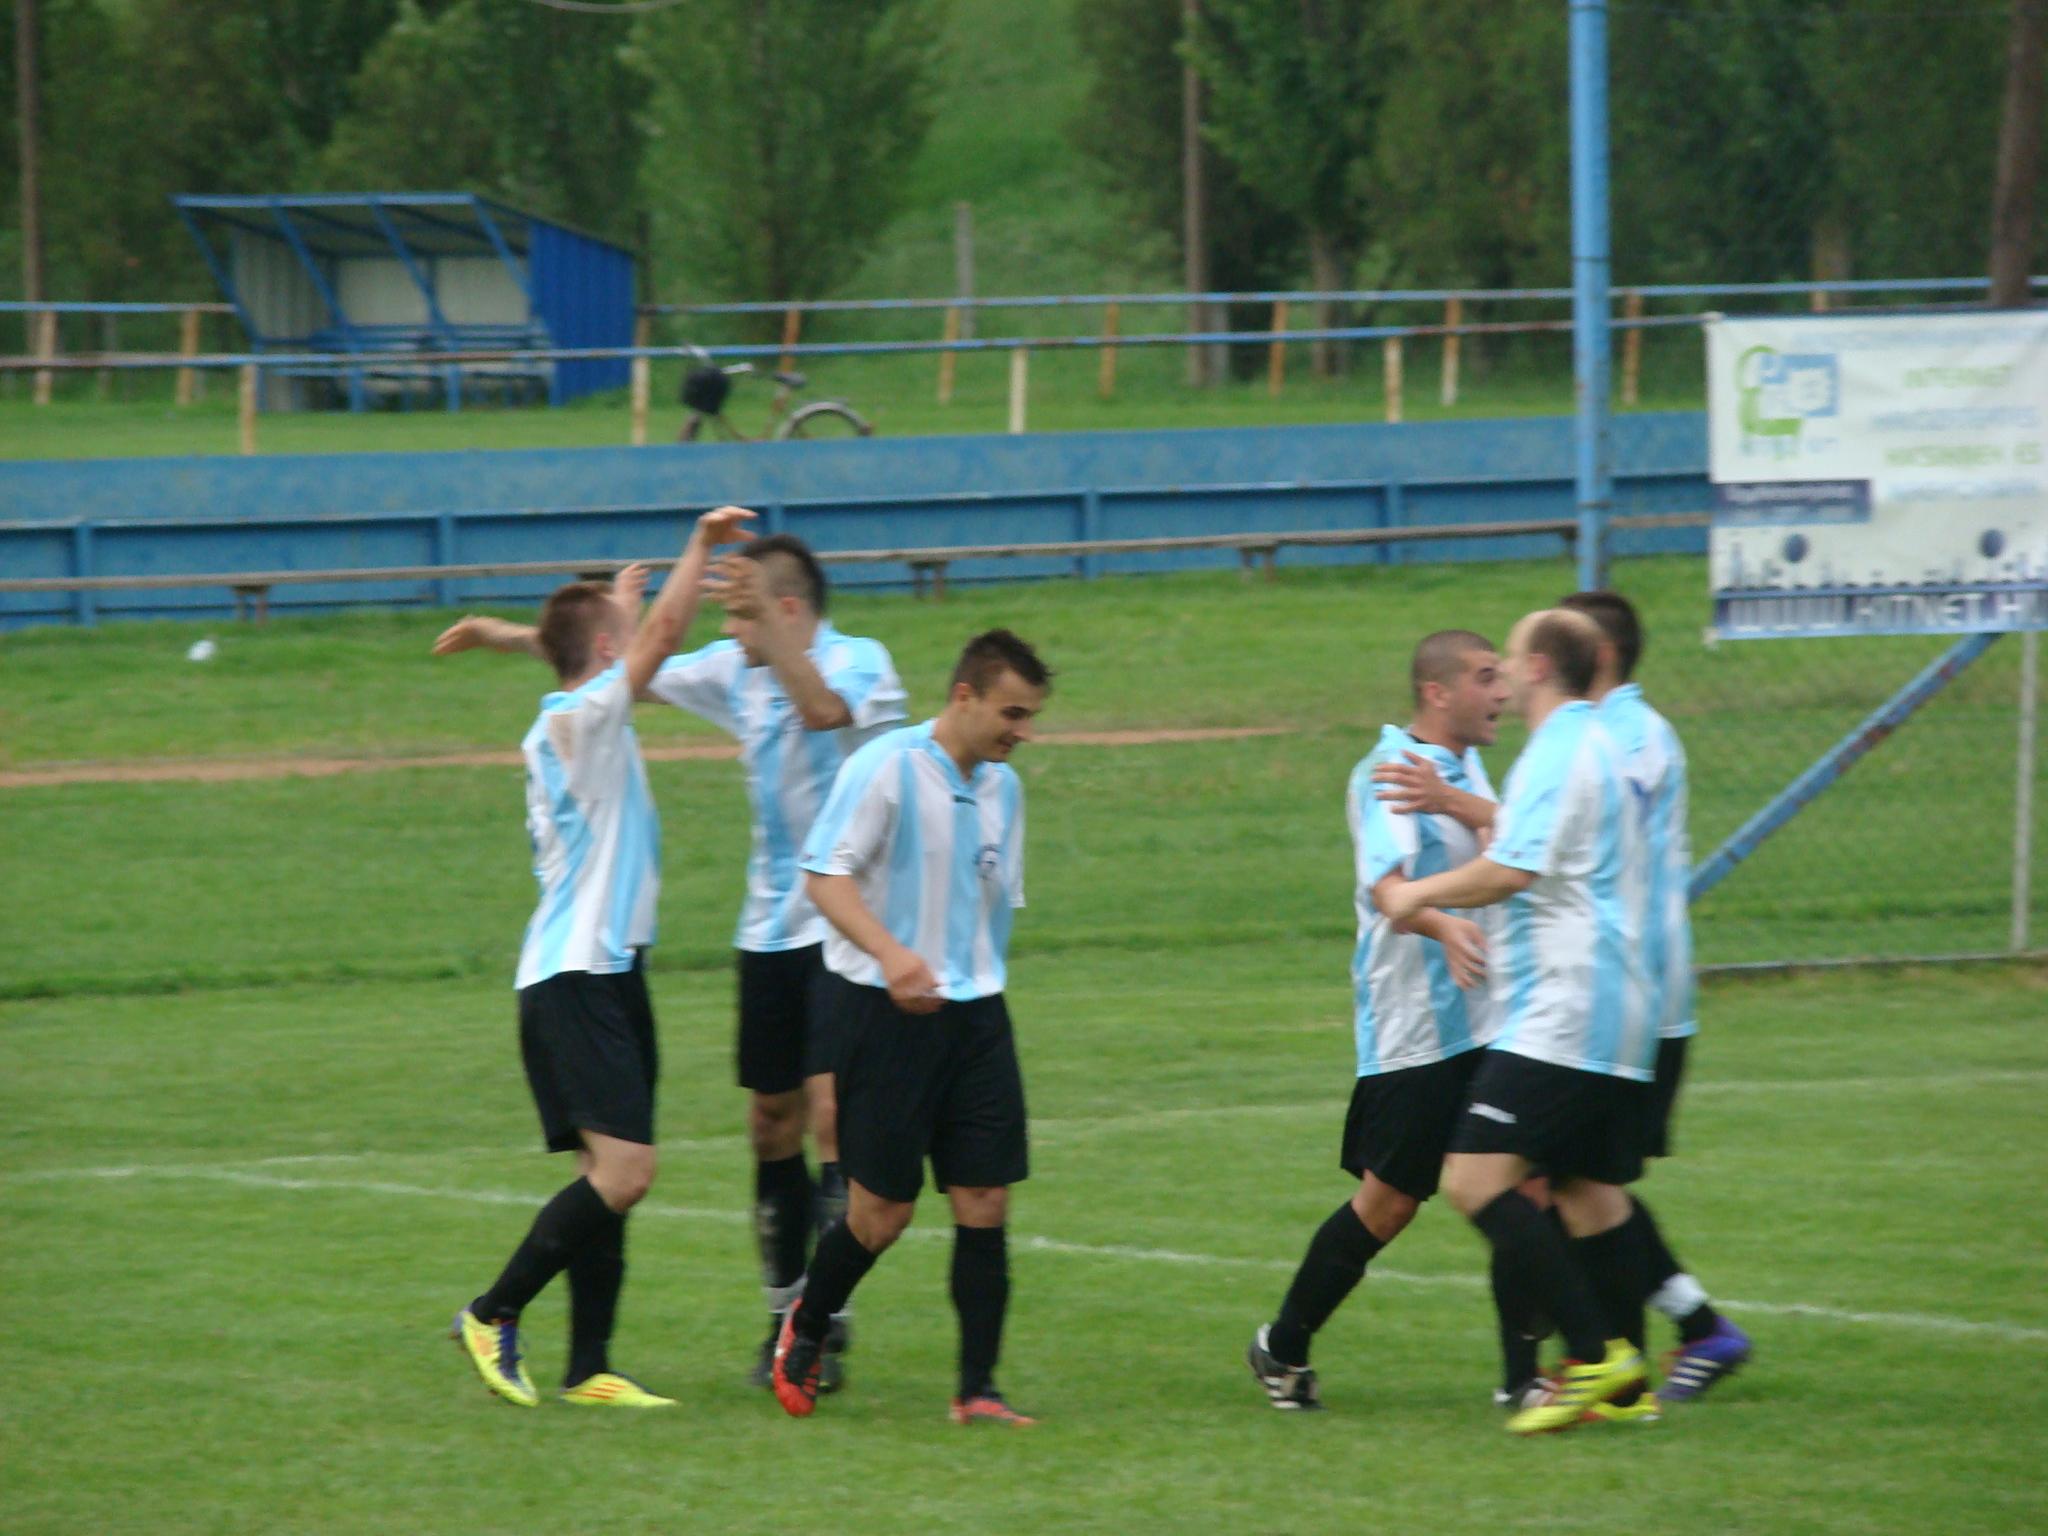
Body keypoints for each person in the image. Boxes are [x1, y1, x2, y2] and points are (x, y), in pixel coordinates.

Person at [437, 534, 908, 1394]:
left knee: (825, 1114)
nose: (726, 631)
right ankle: (763, 1318)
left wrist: (507, 635)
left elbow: (820, 711)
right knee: (746, 1130)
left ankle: (807, 1327)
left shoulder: (858, 661)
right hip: (721, 939)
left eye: (742, 613)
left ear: (786, 609)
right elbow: (631, 659)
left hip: (841, 928)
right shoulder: (629, 701)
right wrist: (572, 625)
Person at [1377, 595, 1752, 1409]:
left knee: (1477, 1178)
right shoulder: (1599, 742)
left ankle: (1595, 1356)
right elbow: (1547, 838)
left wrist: (1415, 897)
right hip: (1610, 1000)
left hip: (1576, 1004)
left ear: (1543, 667)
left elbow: (1514, 868)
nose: (1503, 676)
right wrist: (1457, 809)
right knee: (1587, 1189)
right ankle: (1630, 1378)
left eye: (1510, 660)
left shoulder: (1578, 744)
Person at [448, 505, 754, 1410]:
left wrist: (510, 630)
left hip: (606, 973)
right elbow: (657, 637)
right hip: (576, 975)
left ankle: (589, 1369)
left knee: (610, 1178)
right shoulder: (584, 716)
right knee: (626, 1172)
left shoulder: (577, 709)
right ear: (608, 649)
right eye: (624, 629)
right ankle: (491, 1313)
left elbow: (589, 638)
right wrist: (700, 544)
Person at [770, 629, 1051, 1426]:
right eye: (1012, 713)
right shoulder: (884, 767)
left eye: (1030, 717)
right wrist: (893, 954)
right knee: (881, 1214)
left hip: (977, 1017)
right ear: (964, 696)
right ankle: (806, 1325)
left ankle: (977, 1390)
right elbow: (825, 878)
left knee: (984, 1197)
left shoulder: (1004, 790)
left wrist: (968, 986)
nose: (1023, 732)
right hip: (883, 1014)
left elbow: (987, 902)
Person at [1245, 631, 1510, 1411]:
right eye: (1485, 678)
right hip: (1417, 1026)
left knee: (1520, 1189)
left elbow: (1507, 842)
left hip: (1492, 1018)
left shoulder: (1464, 766)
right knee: (1388, 1203)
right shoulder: (1389, 772)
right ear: (1438, 692)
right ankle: (1283, 1345)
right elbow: (1389, 893)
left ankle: (1528, 1380)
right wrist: (1444, 923)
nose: (1501, 693)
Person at [1559, 590, 1751, 1404]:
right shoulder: (1604, 731)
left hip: (1634, 990)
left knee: (1572, 1178)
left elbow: (1578, 841)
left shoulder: (1627, 733)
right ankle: (1676, 1335)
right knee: (1574, 1177)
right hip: (1624, 986)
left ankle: (1645, 1350)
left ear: (1597, 656)